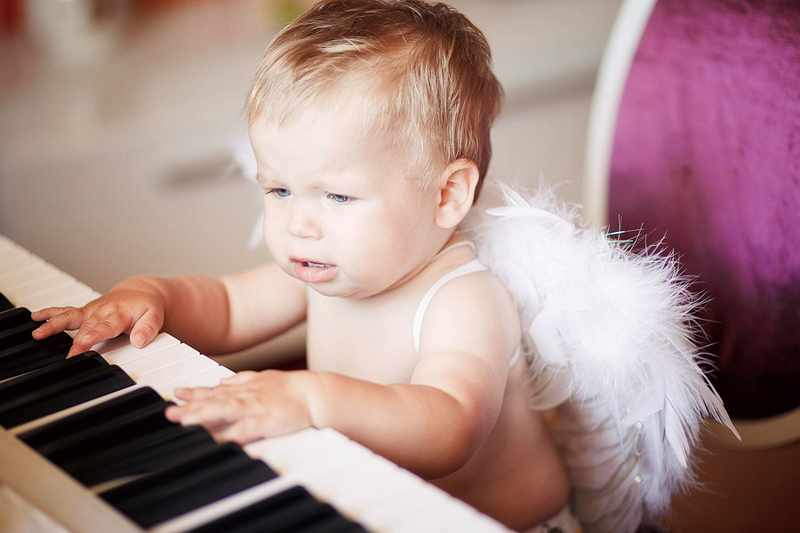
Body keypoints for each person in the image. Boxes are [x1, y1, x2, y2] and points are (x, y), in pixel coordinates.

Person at [30, 1, 576, 531]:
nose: (298, 225)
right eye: (279, 190)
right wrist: (153, 296)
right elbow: (228, 308)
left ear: (447, 194)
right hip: (383, 505)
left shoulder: (463, 298)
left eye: (337, 196)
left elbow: (451, 426)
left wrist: (312, 398)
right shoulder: (330, 266)